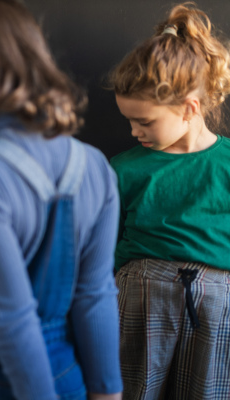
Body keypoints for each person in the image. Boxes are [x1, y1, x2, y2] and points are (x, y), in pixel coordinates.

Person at [0, 1, 123, 400]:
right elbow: (95, 294)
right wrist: (108, 394)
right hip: (62, 365)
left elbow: (11, 315)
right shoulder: (96, 167)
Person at [109, 3, 230, 399]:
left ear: (189, 108)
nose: (134, 131)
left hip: (218, 308)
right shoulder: (124, 168)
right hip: (139, 300)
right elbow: (100, 241)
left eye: (145, 122)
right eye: (129, 120)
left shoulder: (226, 163)